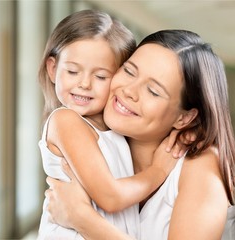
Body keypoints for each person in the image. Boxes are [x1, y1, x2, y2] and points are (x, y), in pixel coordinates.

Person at [45, 29, 235, 239]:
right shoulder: (97, 143)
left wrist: (83, 219)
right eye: (129, 72)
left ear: (184, 118)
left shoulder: (201, 165)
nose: (129, 91)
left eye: (153, 91)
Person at [37, 10, 184, 240]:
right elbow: (111, 198)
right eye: (73, 71)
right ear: (53, 69)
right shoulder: (65, 121)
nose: (84, 83)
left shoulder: (115, 130)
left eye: (101, 76)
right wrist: (158, 171)